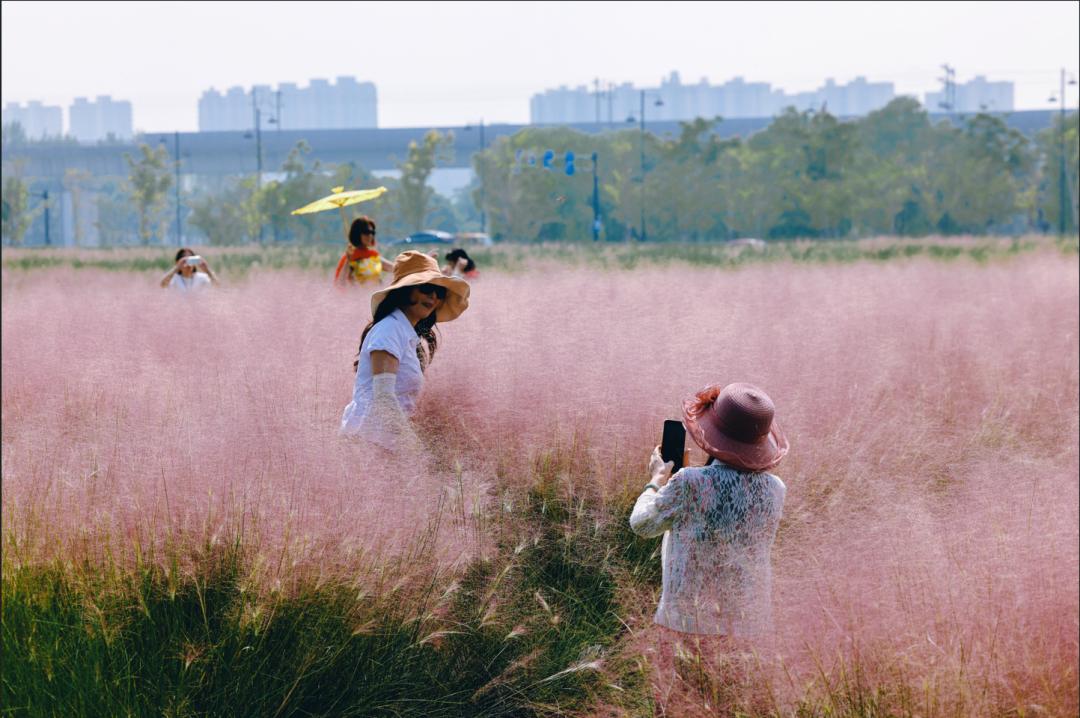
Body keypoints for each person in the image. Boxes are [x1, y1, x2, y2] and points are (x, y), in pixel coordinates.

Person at [630, 382, 788, 706]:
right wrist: (685, 480)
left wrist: (657, 481)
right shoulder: (776, 489)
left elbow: (642, 524)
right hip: (748, 627)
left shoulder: (690, 483)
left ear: (711, 432)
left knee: (677, 707)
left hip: (688, 624)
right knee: (729, 707)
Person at [339, 251, 470, 452]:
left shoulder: (403, 332)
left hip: (384, 443)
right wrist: (413, 447)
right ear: (405, 291)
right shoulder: (390, 330)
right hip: (369, 445)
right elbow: (384, 397)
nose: (433, 296)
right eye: (426, 288)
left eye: (438, 291)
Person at [334, 216, 395, 286]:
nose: (370, 235)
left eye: (372, 232)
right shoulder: (349, 258)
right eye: (366, 232)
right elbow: (338, 284)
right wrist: (348, 260)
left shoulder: (374, 255)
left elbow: (395, 268)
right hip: (358, 296)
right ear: (357, 234)